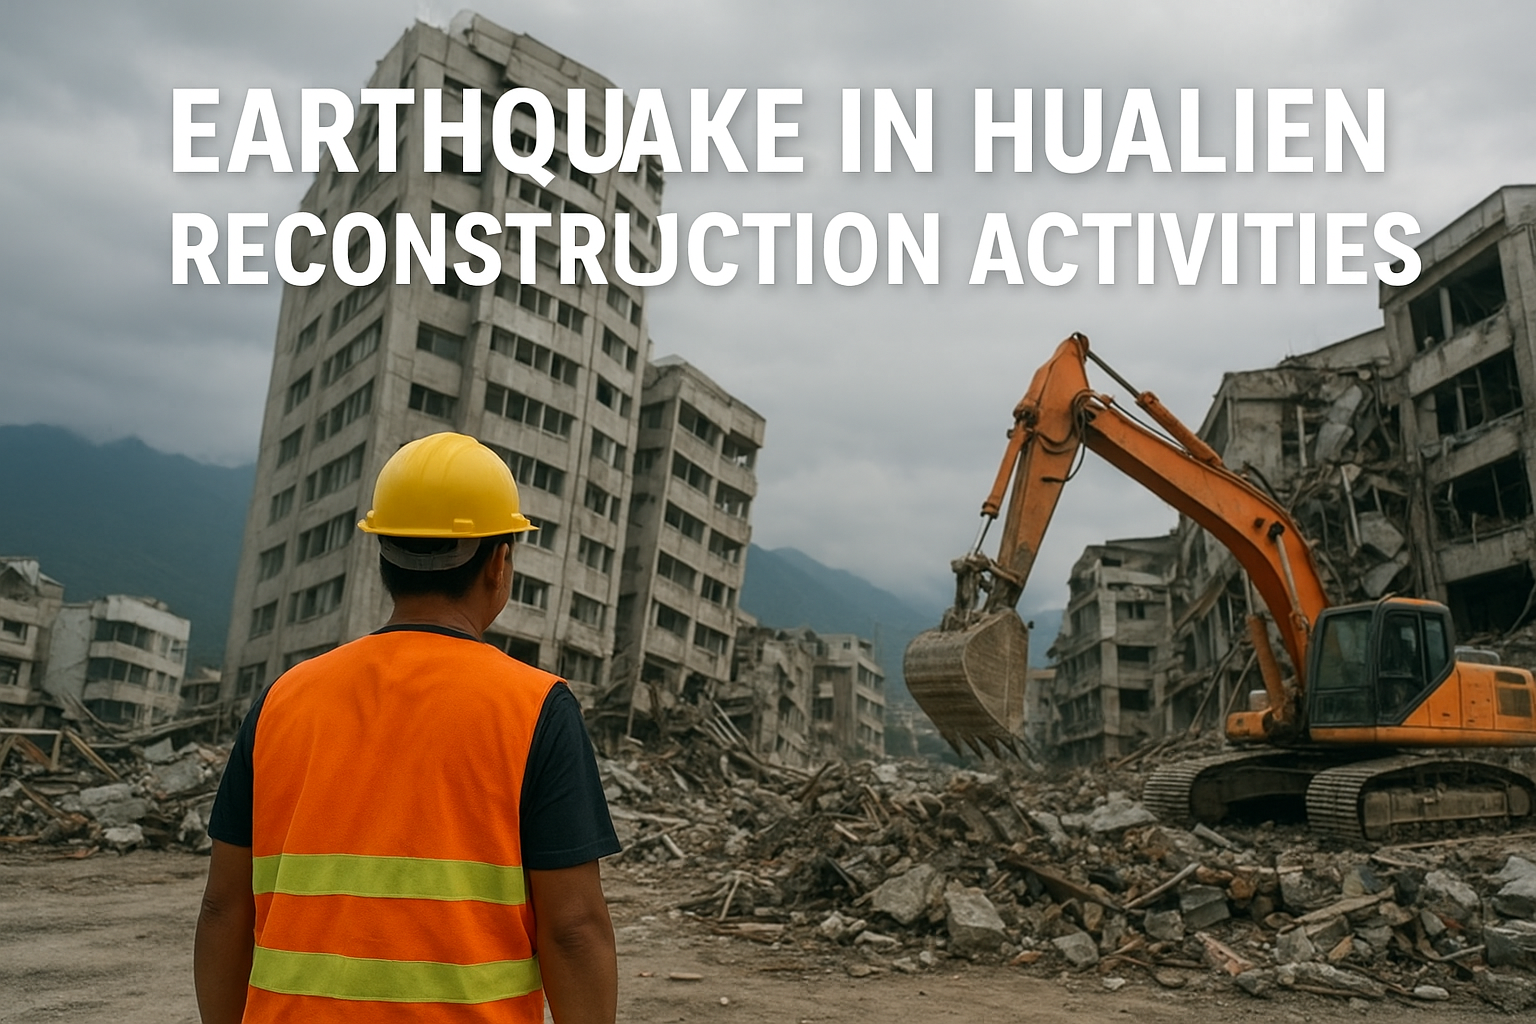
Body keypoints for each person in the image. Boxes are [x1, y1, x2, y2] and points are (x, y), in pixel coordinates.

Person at [194, 431, 619, 1023]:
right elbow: (573, 928)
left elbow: (223, 909)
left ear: (384, 556)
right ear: (499, 563)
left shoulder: (283, 699)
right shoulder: (536, 707)